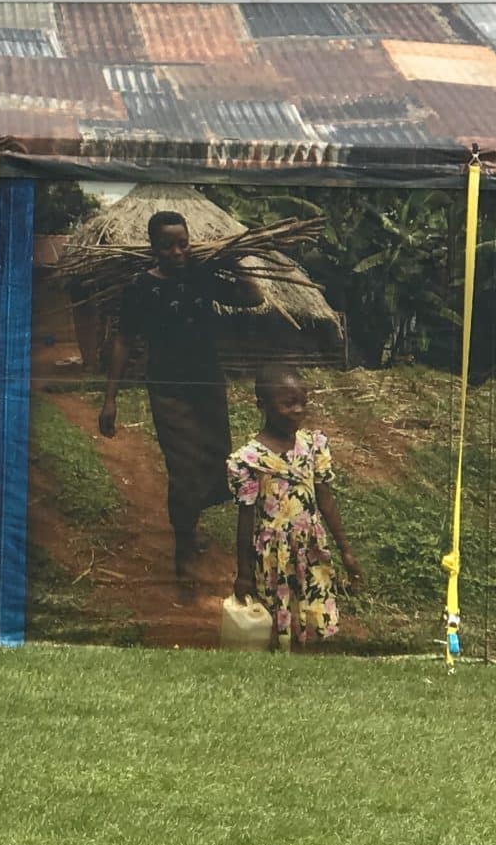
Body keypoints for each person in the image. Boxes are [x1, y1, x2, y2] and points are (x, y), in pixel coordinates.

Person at [98, 211, 267, 603]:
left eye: (183, 243)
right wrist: (111, 398)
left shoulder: (201, 276)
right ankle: (184, 549)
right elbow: (123, 340)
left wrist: (231, 260)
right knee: (182, 466)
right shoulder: (140, 288)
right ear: (153, 248)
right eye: (168, 245)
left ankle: (190, 528)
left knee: (213, 461)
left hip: (207, 384)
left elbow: (253, 297)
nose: (177, 251)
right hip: (168, 388)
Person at [230, 367, 360, 645]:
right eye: (288, 404)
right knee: (279, 619)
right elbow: (246, 517)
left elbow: (325, 499)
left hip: (311, 546)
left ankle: (312, 665)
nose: (298, 410)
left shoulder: (313, 446)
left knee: (316, 614)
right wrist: (243, 573)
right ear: (262, 406)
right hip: (274, 556)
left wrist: (345, 550)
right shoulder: (250, 460)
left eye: (303, 403)